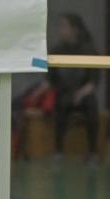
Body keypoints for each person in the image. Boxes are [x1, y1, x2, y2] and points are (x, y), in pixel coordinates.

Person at [27, 13, 100, 165]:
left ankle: (93, 153)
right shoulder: (57, 50)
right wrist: (37, 92)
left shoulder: (89, 50)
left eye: (64, 27)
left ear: (76, 29)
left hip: (84, 93)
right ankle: (58, 152)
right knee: (59, 106)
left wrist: (80, 94)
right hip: (65, 94)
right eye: (60, 26)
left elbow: (94, 81)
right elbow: (50, 79)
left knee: (92, 108)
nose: (61, 30)